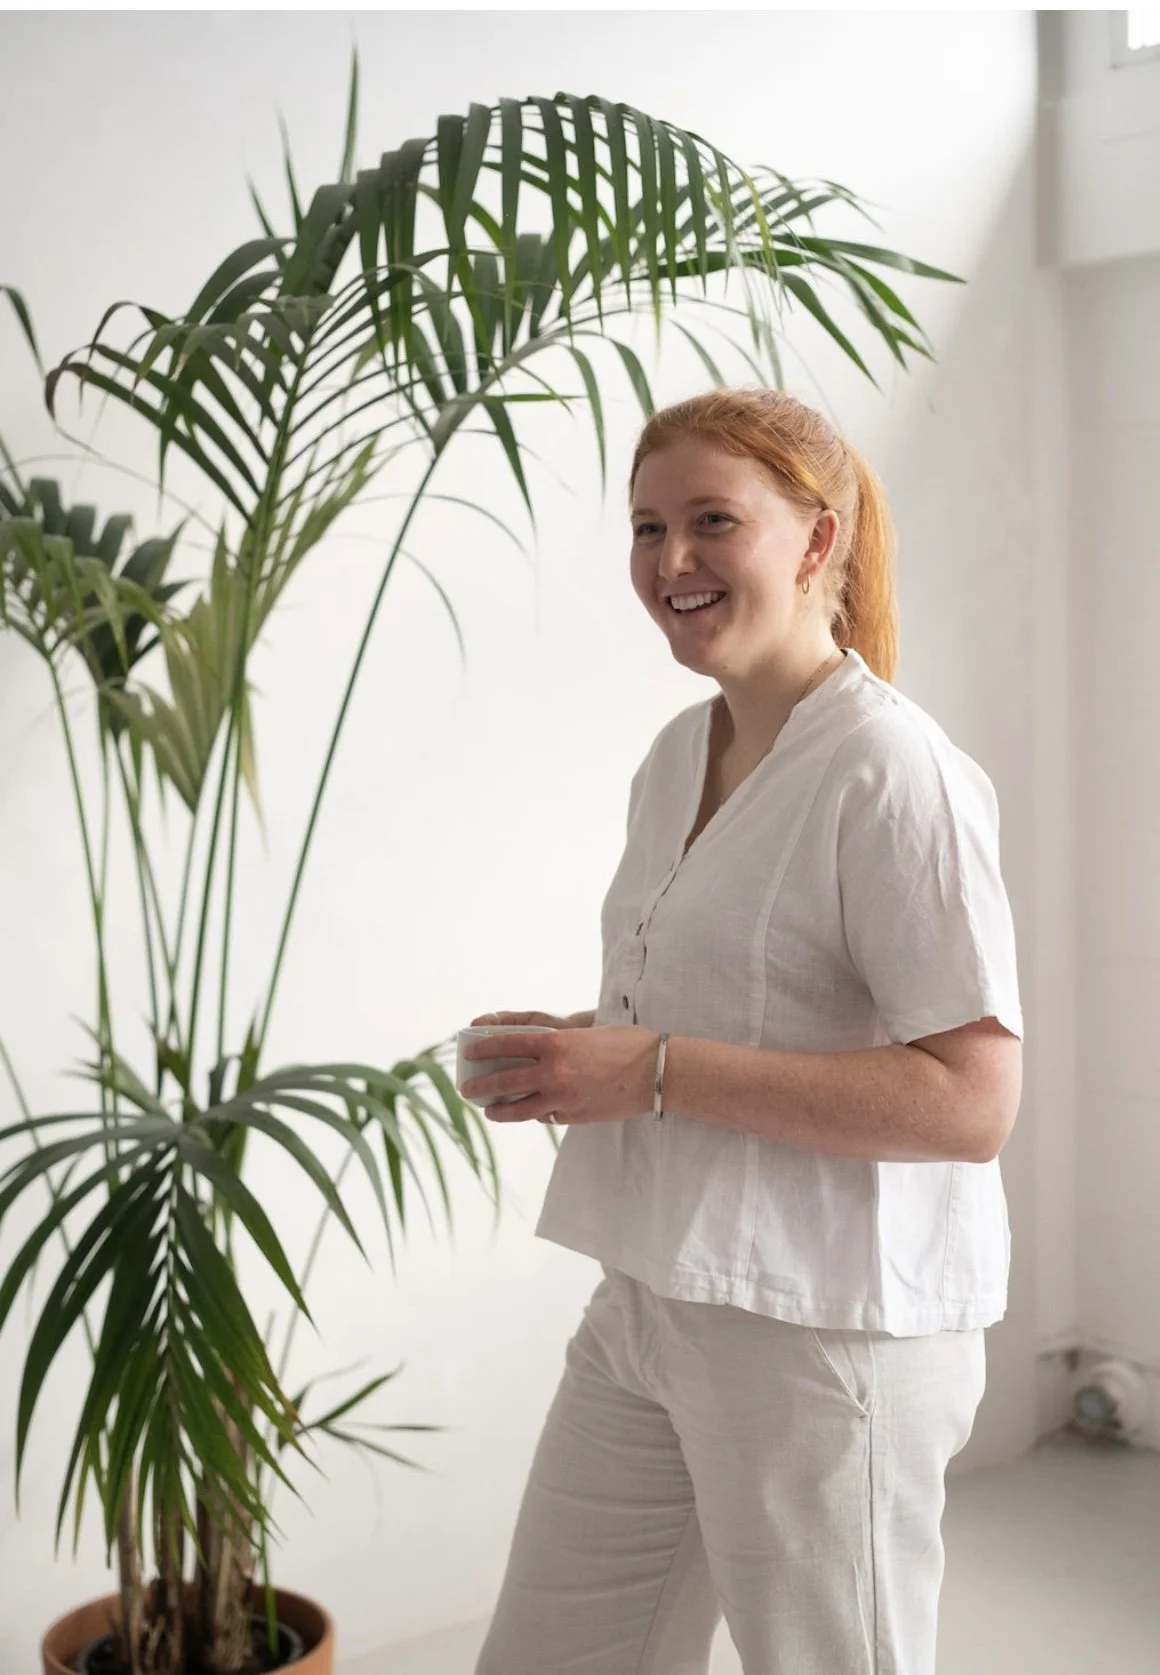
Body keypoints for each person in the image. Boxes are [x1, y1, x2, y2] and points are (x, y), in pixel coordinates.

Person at [459, 387, 1024, 1675]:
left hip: (828, 1333)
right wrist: (582, 1052)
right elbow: (735, 1004)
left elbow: (971, 1102)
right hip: (655, 1292)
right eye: (648, 527)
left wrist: (655, 1070)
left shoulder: (892, 771)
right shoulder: (676, 754)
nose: (671, 562)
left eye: (714, 521)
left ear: (818, 541)